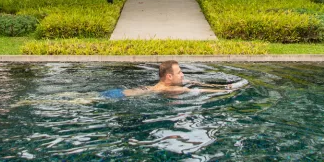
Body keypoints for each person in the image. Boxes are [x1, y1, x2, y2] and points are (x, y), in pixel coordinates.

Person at [100, 60, 243, 99]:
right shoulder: (169, 88)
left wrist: (213, 84)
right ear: (169, 77)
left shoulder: (161, 85)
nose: (183, 75)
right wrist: (227, 89)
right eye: (179, 73)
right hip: (117, 96)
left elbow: (192, 83)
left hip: (120, 93)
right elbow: (198, 90)